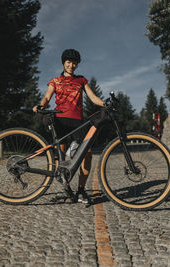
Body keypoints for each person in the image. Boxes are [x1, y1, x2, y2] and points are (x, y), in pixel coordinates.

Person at [33, 49, 104, 204]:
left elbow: (92, 98)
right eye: (68, 62)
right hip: (59, 120)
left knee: (87, 154)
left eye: (74, 63)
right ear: (63, 63)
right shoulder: (55, 81)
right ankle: (66, 186)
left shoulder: (81, 80)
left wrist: (105, 104)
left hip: (78, 121)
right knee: (62, 158)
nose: (71, 65)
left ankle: (80, 191)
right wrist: (41, 105)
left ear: (77, 64)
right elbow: (46, 97)